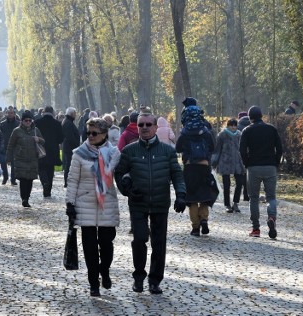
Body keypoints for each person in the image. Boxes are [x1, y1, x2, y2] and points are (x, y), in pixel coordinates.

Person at [114, 110, 186, 295]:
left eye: (148, 124)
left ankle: (155, 281)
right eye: (141, 124)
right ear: (137, 127)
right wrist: (127, 190)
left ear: (155, 127)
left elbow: (176, 174)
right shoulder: (129, 151)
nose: (144, 128)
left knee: (159, 243)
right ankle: (138, 277)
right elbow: (119, 172)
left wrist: (181, 194)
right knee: (139, 239)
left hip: (160, 202)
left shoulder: (168, 151)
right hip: (138, 202)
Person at [66, 117, 121, 297]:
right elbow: (73, 180)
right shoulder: (79, 153)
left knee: (106, 244)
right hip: (85, 203)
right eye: (88, 133)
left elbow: (119, 178)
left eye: (94, 133)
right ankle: (93, 283)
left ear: (104, 134)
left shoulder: (114, 154)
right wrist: (70, 203)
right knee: (89, 247)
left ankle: (104, 270)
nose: (90, 136)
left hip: (107, 204)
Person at [175, 99, 218, 237]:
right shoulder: (205, 130)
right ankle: (204, 219)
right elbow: (212, 147)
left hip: (189, 167)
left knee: (192, 198)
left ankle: (195, 227)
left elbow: (177, 148)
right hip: (204, 166)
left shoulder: (185, 131)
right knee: (205, 195)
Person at [239, 106, 283, 239]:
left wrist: (247, 163)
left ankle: (256, 228)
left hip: (253, 167)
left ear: (250, 117)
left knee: (253, 198)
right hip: (270, 166)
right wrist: (276, 163)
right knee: (271, 197)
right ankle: (271, 216)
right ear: (261, 115)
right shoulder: (271, 129)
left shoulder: (247, 130)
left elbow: (242, 150)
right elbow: (279, 148)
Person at [6, 110, 44, 207]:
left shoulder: (36, 130)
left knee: (30, 180)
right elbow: (10, 145)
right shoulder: (17, 131)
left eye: (29, 120)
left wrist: (38, 139)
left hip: (32, 159)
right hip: (20, 159)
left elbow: (43, 141)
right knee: (23, 180)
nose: (28, 122)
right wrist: (8, 158)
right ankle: (24, 198)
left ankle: (27, 197)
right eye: (26, 120)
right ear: (22, 121)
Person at [213, 118, 247, 213]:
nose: (233, 127)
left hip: (238, 162)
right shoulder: (222, 135)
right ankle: (227, 204)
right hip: (225, 161)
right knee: (226, 184)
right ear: (227, 125)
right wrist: (214, 162)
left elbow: (244, 149)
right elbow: (217, 149)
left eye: (234, 125)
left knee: (240, 182)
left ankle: (235, 203)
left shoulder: (240, 135)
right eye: (231, 125)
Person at [35, 106, 64, 197]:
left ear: (43, 112)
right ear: (52, 112)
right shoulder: (57, 123)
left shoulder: (37, 122)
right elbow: (61, 138)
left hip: (40, 148)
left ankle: (44, 182)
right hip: (53, 149)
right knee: (50, 170)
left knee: (41, 167)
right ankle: (48, 191)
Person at [0, 107, 20, 185]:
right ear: (6, 114)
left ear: (14, 114)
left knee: (13, 163)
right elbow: (0, 134)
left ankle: (13, 179)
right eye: (9, 113)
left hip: (14, 145)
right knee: (3, 162)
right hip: (4, 145)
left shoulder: (18, 123)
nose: (10, 114)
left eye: (11, 113)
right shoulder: (3, 123)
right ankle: (5, 177)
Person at [61, 107, 80, 188]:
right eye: (75, 113)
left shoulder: (67, 121)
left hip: (69, 147)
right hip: (70, 148)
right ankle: (67, 182)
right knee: (69, 165)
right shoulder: (68, 123)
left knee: (69, 165)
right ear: (72, 114)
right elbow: (70, 136)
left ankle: (68, 181)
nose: (76, 115)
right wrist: (76, 144)